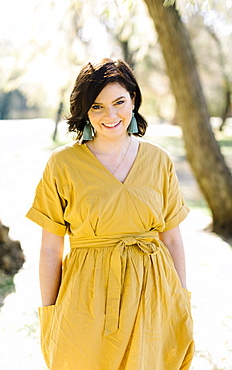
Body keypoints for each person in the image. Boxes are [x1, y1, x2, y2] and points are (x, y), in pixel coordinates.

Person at [26, 58, 194, 370]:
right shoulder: (62, 164)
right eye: (97, 106)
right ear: (85, 111)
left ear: (134, 99)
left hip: (152, 293)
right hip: (86, 296)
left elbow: (171, 239)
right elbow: (50, 248)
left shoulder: (159, 160)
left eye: (119, 102)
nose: (110, 115)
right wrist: (50, 311)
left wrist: (180, 298)